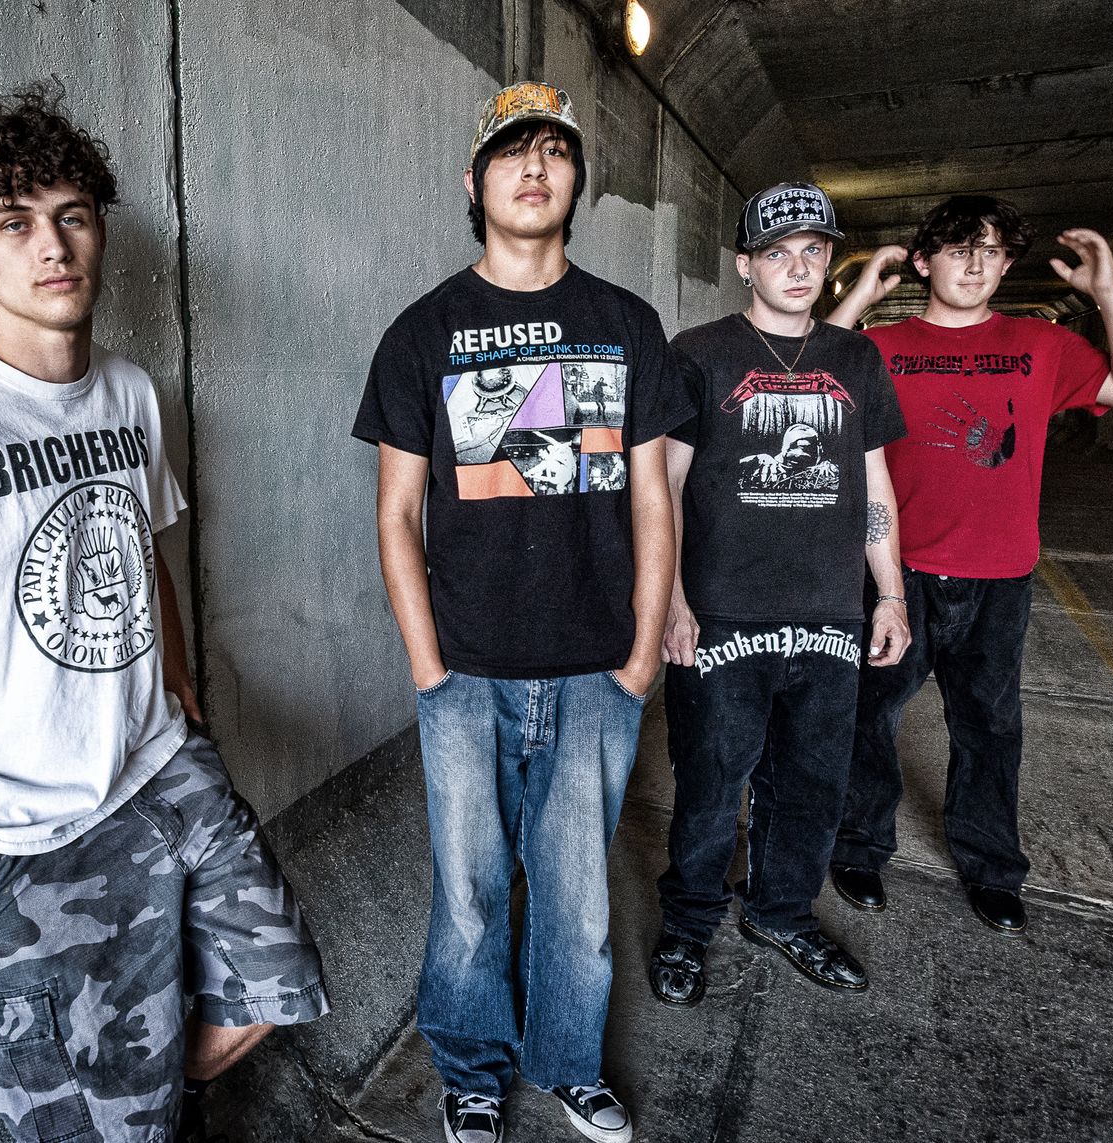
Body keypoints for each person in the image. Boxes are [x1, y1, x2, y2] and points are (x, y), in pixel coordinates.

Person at [0, 85, 327, 1143]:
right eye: (14, 222)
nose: (52, 245)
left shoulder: (129, 392)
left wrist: (177, 692)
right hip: (30, 834)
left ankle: (158, 1094)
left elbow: (141, 550)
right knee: (96, 1120)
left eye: (73, 216)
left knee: (275, 985)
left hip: (163, 773)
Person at [352, 81, 690, 1143]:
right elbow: (396, 513)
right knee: (469, 893)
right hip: (466, 669)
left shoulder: (626, 324)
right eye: (511, 152)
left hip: (597, 666)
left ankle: (569, 1064)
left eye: (554, 151)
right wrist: (428, 665)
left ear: (577, 179)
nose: (534, 168)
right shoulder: (423, 333)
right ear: (474, 183)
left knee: (580, 896)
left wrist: (642, 654)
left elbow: (653, 498)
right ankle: (471, 1072)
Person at [824, 195, 1113, 932]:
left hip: (1000, 575)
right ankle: (858, 845)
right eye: (958, 249)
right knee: (868, 715)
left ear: (1008, 264)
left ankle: (991, 867)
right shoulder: (882, 345)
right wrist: (857, 296)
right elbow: (806, 373)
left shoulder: (1041, 343)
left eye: (990, 251)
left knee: (988, 725)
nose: (976, 265)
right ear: (924, 262)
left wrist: (1109, 290)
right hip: (897, 572)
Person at [648, 183, 910, 1007]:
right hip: (723, 610)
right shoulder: (699, 353)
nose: (797, 268)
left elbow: (875, 486)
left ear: (828, 262)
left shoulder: (856, 359)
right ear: (745, 265)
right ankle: (687, 925)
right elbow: (665, 485)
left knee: (814, 782)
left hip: (831, 611)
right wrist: (673, 600)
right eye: (777, 253)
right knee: (710, 781)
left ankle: (782, 912)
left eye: (812, 252)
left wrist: (890, 595)